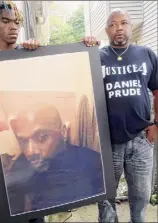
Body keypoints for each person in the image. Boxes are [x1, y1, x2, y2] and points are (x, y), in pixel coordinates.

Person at [82, 8, 158, 223]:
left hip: (141, 139)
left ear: (130, 26)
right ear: (106, 30)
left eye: (123, 23)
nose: (119, 28)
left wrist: (157, 124)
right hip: (107, 141)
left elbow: (157, 90)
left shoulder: (147, 54)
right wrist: (83, 47)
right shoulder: (97, 56)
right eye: (113, 24)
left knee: (140, 200)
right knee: (105, 200)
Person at [0, 1, 44, 222]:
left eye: (16, 22)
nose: (13, 27)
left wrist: (37, 50)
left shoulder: (29, 55)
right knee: (11, 207)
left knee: (38, 208)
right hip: (4, 150)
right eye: (5, 21)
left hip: (32, 146)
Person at [1, 105, 105, 215]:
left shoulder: (93, 163)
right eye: (23, 141)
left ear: (63, 132)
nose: (30, 151)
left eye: (42, 137)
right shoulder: (19, 166)